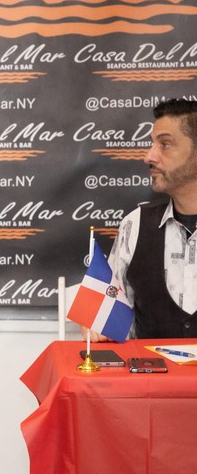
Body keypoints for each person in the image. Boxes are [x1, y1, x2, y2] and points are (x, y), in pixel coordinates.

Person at [83, 98, 197, 341]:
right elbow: (111, 322)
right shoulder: (134, 225)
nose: (149, 156)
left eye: (165, 144)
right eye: (152, 144)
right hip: (148, 367)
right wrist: (100, 328)